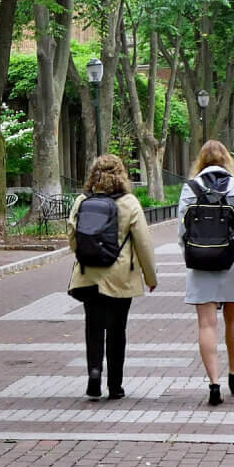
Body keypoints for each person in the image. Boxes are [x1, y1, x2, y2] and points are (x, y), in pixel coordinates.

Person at [67, 153, 160, 401]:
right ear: (121, 174)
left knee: (93, 327)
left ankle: (94, 375)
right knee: (117, 330)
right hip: (121, 277)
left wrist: (87, 255)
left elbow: (72, 237)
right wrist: (150, 277)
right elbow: (143, 244)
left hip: (89, 276)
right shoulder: (129, 203)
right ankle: (115, 386)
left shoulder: (82, 201)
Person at [182, 140, 234, 407]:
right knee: (233, 317)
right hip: (231, 259)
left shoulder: (190, 187)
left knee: (206, 324)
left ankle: (214, 383)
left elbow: (182, 231)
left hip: (200, 261)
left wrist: (192, 253)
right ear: (227, 160)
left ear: (201, 161)